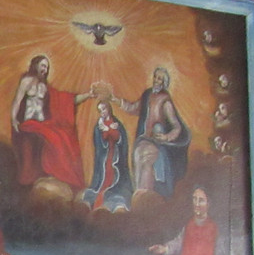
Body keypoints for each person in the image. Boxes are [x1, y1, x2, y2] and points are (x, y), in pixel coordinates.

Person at [10, 55, 94, 193]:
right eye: (43, 65)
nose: (45, 69)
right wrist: (13, 118)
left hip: (43, 124)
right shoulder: (26, 81)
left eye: (47, 67)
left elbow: (67, 100)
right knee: (54, 137)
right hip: (29, 124)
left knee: (64, 135)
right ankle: (55, 173)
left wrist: (88, 95)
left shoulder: (45, 87)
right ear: (35, 65)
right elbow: (17, 101)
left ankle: (67, 176)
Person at [111, 67, 191, 199]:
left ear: (164, 83)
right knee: (138, 155)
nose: (157, 81)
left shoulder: (165, 101)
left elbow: (177, 127)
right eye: (156, 77)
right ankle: (138, 194)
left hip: (158, 143)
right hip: (144, 139)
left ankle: (144, 196)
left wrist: (166, 137)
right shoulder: (147, 95)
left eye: (160, 79)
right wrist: (115, 100)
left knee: (145, 157)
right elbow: (133, 108)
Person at [81, 100, 133, 212]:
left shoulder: (117, 123)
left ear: (109, 108)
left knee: (115, 176)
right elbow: (99, 141)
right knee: (103, 177)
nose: (102, 112)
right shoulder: (99, 125)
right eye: (100, 110)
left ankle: (113, 195)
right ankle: (99, 197)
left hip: (115, 156)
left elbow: (121, 139)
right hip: (104, 157)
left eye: (104, 109)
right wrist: (107, 131)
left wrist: (110, 131)